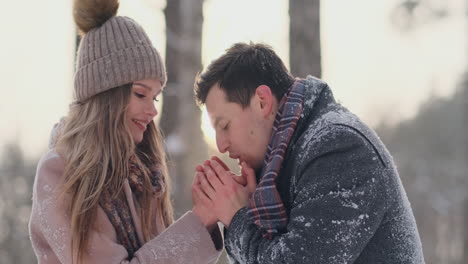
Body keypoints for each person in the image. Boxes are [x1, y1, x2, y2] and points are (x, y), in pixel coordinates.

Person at [192, 42, 425, 263]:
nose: (221, 145)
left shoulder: (339, 149)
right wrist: (251, 217)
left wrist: (238, 218)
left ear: (262, 102)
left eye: (224, 126)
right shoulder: (281, 168)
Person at [28, 0, 223, 263]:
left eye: (155, 98)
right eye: (141, 93)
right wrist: (199, 223)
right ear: (106, 96)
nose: (153, 111)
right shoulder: (61, 174)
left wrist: (213, 215)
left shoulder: (144, 174)